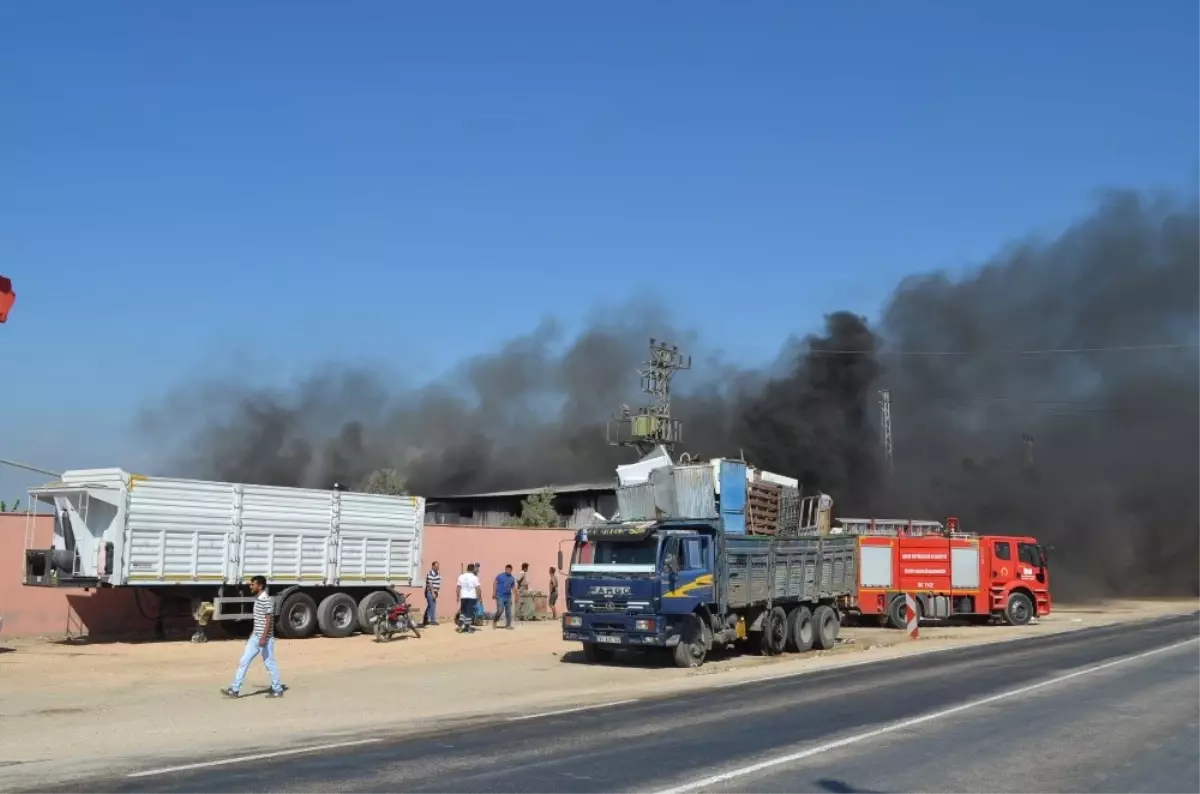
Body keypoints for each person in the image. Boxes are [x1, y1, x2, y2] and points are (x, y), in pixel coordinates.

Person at [221, 576, 284, 699]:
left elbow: (269, 619)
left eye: (252, 585)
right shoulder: (258, 599)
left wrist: (264, 637)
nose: (250, 586)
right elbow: (259, 620)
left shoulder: (266, 599)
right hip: (255, 637)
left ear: (260, 586)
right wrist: (253, 634)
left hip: (264, 639)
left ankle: (277, 689)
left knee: (269, 663)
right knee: (244, 661)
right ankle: (234, 689)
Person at [456, 564, 481, 633]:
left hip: (463, 596)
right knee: (469, 612)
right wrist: (478, 597)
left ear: (467, 569)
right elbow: (478, 588)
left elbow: (458, 587)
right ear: (473, 569)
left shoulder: (461, 576)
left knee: (463, 611)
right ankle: (468, 627)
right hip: (472, 596)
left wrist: (457, 596)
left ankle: (460, 625)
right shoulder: (475, 577)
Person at [493, 564, 517, 629]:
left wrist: (516, 597)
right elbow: (495, 583)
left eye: (510, 570)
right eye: (507, 570)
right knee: (500, 610)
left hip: (508, 597)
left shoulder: (512, 578)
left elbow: (514, 588)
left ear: (511, 570)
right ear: (505, 569)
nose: (508, 571)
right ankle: (495, 621)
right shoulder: (500, 576)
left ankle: (508, 625)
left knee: (508, 612)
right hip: (500, 596)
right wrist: (494, 593)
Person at [423, 561, 441, 626]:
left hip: (434, 592)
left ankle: (425, 619)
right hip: (430, 592)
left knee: (430, 605)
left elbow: (438, 582)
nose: (438, 567)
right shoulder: (430, 573)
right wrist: (433, 593)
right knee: (432, 605)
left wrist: (436, 592)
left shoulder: (437, 573)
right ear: (433, 566)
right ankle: (433, 620)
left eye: (438, 566)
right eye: (436, 566)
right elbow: (430, 584)